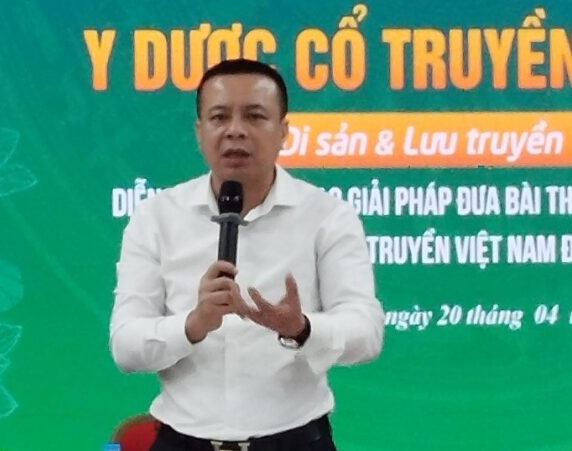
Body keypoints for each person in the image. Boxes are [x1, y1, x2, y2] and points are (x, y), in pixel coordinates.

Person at [110, 58, 384, 451]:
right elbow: (126, 346)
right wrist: (193, 324)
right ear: (200, 132)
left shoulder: (327, 216)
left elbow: (366, 333)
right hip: (182, 442)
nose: (235, 130)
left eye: (255, 116)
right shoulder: (156, 217)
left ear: (283, 131)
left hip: (295, 442)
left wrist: (301, 328)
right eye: (219, 117)